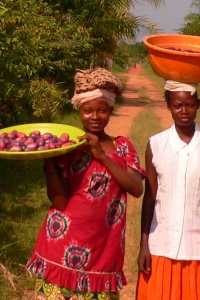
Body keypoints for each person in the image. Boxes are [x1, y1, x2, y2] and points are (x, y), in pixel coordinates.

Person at [26, 67, 145, 300]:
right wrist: (49, 162)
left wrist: (101, 155)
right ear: (79, 111)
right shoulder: (67, 147)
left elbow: (136, 188)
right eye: (87, 110)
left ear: (111, 109)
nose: (95, 116)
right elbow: (60, 202)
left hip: (103, 253)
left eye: (102, 110)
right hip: (60, 249)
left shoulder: (122, 147)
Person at [136, 80, 200, 300]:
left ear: (198, 105)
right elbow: (150, 197)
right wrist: (144, 244)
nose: (184, 111)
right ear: (169, 106)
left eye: (190, 105)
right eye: (178, 105)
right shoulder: (156, 145)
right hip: (161, 244)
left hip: (196, 247)